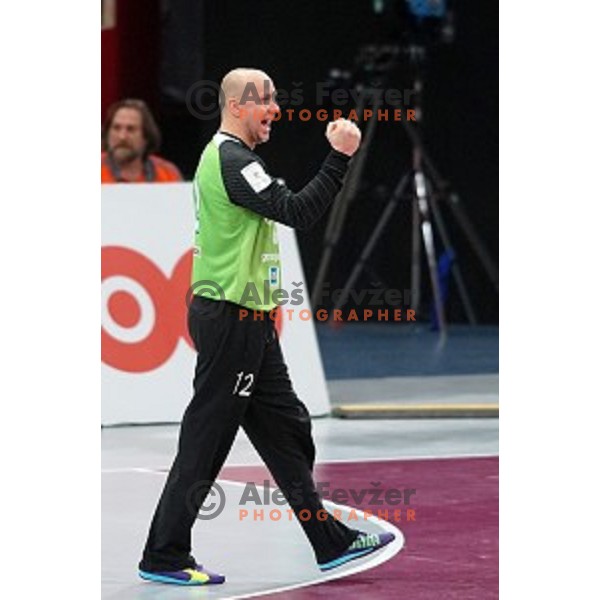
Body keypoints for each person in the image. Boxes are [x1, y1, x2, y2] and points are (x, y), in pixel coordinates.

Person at [138, 68, 394, 586]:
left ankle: (329, 542)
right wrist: (340, 156)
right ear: (237, 106)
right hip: (231, 318)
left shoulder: (239, 159)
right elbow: (298, 211)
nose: (276, 108)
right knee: (207, 438)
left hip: (250, 318)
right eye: (267, 100)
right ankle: (164, 553)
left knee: (288, 428)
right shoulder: (233, 161)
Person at [101, 98, 183, 183]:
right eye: (116, 128)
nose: (122, 137)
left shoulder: (167, 174)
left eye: (131, 129)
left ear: (146, 137)